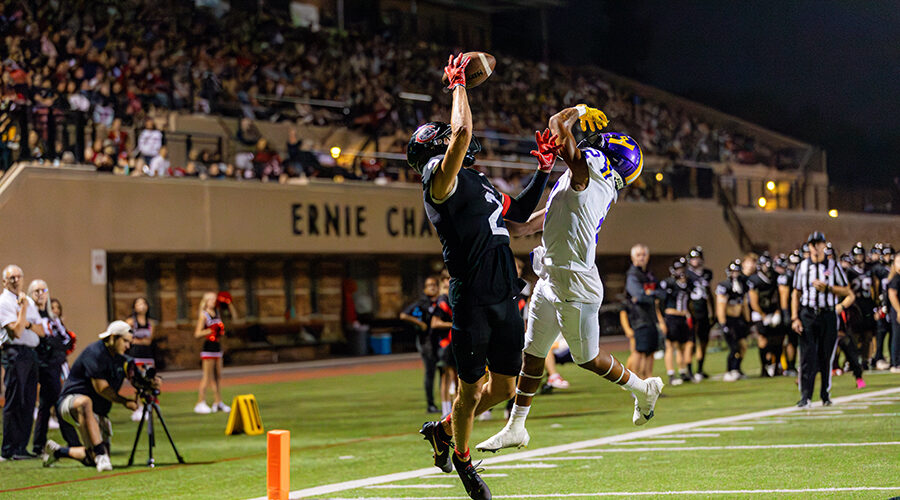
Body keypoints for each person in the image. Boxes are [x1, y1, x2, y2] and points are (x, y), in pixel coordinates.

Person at [477, 108, 663, 454]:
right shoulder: (579, 183)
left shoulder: (589, 176)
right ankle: (516, 426)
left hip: (575, 282)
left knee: (586, 358)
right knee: (532, 354)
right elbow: (528, 225)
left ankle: (643, 388)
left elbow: (557, 126)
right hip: (550, 275)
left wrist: (578, 110)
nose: (592, 148)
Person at [410, 53, 552, 500]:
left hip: (504, 295)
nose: (456, 140)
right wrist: (459, 86)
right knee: (471, 391)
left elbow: (521, 218)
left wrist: (546, 173)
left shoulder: (481, 181)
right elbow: (463, 132)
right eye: (446, 139)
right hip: (472, 296)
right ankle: (465, 460)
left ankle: (444, 430)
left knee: (507, 386)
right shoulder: (439, 180)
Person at [42, 321, 145, 472]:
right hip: (70, 403)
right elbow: (102, 389)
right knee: (85, 402)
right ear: (113, 338)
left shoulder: (122, 358)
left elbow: (139, 379)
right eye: (125, 341)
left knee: (91, 459)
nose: (128, 346)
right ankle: (100, 452)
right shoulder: (95, 352)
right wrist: (125, 402)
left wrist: (149, 382)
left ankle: (58, 451)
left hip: (97, 412)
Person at [791, 232, 851, 407]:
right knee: (807, 356)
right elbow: (796, 293)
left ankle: (825, 394)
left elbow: (846, 290)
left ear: (824, 245)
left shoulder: (833, 265)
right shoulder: (802, 267)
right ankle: (805, 396)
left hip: (828, 314)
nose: (816, 247)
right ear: (809, 247)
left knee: (825, 356)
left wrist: (829, 289)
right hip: (808, 314)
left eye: (818, 243)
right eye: (812, 244)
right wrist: (795, 317)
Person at [0, 265, 45, 460]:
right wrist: (25, 312)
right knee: (15, 400)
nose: (16, 281)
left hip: (30, 354)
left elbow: (41, 331)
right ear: (4, 281)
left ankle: (21, 448)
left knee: (28, 401)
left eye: (19, 277)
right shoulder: (4, 302)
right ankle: (8, 448)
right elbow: (16, 332)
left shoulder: (26, 301)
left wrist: (25, 322)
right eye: (12, 278)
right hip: (15, 353)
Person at [30, 280, 74, 455]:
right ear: (30, 294)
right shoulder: (31, 317)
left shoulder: (52, 318)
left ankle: (37, 445)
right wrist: (50, 343)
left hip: (55, 363)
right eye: (36, 291)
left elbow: (67, 339)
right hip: (42, 363)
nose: (40, 294)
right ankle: (73, 441)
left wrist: (53, 344)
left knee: (46, 404)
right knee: (58, 401)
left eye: (43, 290)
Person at [399, 276, 440, 413]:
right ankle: (431, 404)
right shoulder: (421, 303)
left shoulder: (442, 302)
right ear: (425, 288)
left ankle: (447, 404)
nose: (432, 287)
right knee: (430, 373)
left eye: (434, 284)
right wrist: (419, 323)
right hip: (426, 342)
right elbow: (404, 315)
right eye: (429, 285)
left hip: (440, 342)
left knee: (445, 374)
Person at [625, 244, 665, 380]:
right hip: (639, 319)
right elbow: (639, 295)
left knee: (650, 351)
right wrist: (652, 295)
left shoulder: (649, 274)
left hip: (651, 318)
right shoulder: (632, 275)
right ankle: (636, 384)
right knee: (639, 351)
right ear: (632, 257)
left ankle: (648, 383)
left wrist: (650, 293)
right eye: (638, 255)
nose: (641, 258)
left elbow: (662, 293)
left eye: (643, 255)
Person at [194, 292, 237, 414]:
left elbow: (233, 317)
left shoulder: (217, 313)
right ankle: (200, 402)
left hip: (217, 346)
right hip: (208, 347)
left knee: (218, 377)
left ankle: (218, 402)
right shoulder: (204, 315)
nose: (214, 301)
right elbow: (197, 333)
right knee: (207, 377)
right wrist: (210, 330)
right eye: (211, 299)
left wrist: (228, 304)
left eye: (214, 299)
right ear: (206, 301)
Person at [748, 253, 783, 377]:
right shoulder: (754, 280)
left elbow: (780, 296)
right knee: (762, 338)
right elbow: (753, 301)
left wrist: (778, 311)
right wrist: (763, 316)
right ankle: (764, 367)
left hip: (774, 311)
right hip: (759, 312)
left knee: (777, 338)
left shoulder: (776, 276)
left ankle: (777, 364)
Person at [660, 257, 693, 385]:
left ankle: (683, 371)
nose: (681, 271)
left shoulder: (688, 283)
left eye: (682, 268)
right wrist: (662, 320)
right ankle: (671, 374)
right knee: (670, 346)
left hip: (682, 318)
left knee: (682, 347)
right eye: (678, 268)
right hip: (671, 317)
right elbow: (660, 302)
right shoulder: (668, 283)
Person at [717, 260, 750, 381]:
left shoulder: (743, 285)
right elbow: (720, 306)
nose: (735, 274)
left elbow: (745, 304)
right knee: (733, 347)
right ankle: (730, 370)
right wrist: (722, 323)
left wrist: (748, 319)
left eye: (737, 271)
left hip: (739, 320)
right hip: (729, 320)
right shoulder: (724, 286)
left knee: (743, 346)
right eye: (733, 271)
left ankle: (737, 368)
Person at [845, 243, 877, 371]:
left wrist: (876, 304)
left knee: (868, 335)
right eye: (857, 255)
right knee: (854, 335)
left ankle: (865, 360)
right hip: (855, 306)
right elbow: (847, 289)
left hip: (868, 305)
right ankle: (853, 360)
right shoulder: (850, 272)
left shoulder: (870, 270)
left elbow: (875, 287)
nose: (859, 257)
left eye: (860, 255)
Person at [126, 297, 156, 421]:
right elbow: (128, 338)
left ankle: (148, 406)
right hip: (135, 354)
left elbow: (149, 341)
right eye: (138, 304)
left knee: (149, 381)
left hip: (147, 355)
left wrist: (139, 340)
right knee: (137, 382)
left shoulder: (151, 323)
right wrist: (139, 341)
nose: (141, 306)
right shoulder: (130, 322)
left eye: (144, 303)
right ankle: (138, 407)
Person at [686, 246, 714, 381]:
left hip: (703, 310)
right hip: (691, 310)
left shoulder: (707, 273)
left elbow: (709, 293)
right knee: (691, 342)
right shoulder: (686, 274)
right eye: (693, 258)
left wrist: (712, 312)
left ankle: (700, 369)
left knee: (703, 341)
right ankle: (688, 371)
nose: (695, 261)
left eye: (697, 258)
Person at [885, 252, 900, 373]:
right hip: (896, 310)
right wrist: (899, 310)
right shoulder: (895, 279)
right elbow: (892, 295)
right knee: (897, 335)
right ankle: (895, 363)